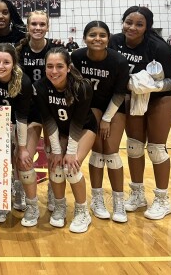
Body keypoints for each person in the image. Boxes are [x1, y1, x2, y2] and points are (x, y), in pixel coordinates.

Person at [109, 6, 171, 220]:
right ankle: (137, 194)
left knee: (156, 149)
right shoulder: (115, 41)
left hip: (161, 97)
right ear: (122, 22)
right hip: (133, 97)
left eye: (139, 24)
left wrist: (153, 87)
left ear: (147, 27)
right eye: (128, 22)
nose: (132, 27)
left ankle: (162, 200)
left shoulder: (158, 47)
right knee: (134, 146)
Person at [71, 21, 130, 223]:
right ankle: (97, 199)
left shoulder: (119, 61)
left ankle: (119, 201)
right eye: (92, 35)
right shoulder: (77, 57)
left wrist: (106, 119)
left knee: (111, 152)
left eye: (102, 35)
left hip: (114, 106)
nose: (97, 39)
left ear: (108, 38)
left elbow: (120, 93)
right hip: (90, 107)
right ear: (85, 38)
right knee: (98, 152)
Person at [33, 47, 97, 233]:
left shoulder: (82, 86)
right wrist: (55, 150)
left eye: (59, 66)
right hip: (59, 131)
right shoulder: (41, 87)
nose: (54, 71)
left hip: (83, 129)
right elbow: (48, 119)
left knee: (71, 166)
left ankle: (82, 211)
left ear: (68, 67)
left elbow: (78, 122)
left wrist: (69, 151)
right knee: (55, 166)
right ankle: (60, 206)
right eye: (50, 66)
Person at [0, 43, 32, 225]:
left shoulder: (23, 82)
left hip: (18, 122)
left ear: (14, 64)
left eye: (6, 62)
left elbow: (22, 117)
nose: (1, 66)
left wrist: (22, 147)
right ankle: (0, 201)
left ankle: (18, 192)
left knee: (19, 158)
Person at [15, 10, 55, 224]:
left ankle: (53, 191)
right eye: (34, 24)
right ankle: (25, 196)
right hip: (28, 110)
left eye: (42, 24)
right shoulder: (19, 50)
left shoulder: (55, 50)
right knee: (24, 156)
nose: (38, 28)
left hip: (51, 109)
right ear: (28, 27)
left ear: (47, 26)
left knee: (53, 153)